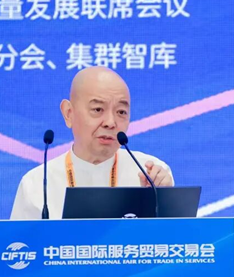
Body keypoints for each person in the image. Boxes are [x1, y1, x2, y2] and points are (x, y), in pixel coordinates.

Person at [10, 66, 174, 220]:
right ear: (69, 113)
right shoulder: (36, 184)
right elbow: (18, 241)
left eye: (121, 112)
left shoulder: (151, 174)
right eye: (98, 109)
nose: (110, 122)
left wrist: (164, 201)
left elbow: (175, 238)